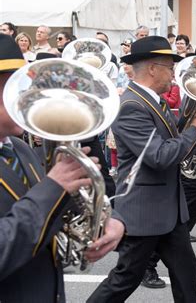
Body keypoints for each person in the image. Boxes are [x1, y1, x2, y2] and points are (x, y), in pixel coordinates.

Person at [0, 33, 124, 302]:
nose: (24, 97)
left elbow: (49, 219)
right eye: (10, 88)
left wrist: (106, 225)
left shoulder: (20, 149)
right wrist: (53, 187)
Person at [87, 36, 196, 302]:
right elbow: (159, 156)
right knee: (124, 280)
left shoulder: (152, 100)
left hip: (168, 211)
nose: (173, 75)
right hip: (144, 212)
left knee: (188, 282)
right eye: (170, 67)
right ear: (153, 68)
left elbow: (172, 142)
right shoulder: (132, 106)